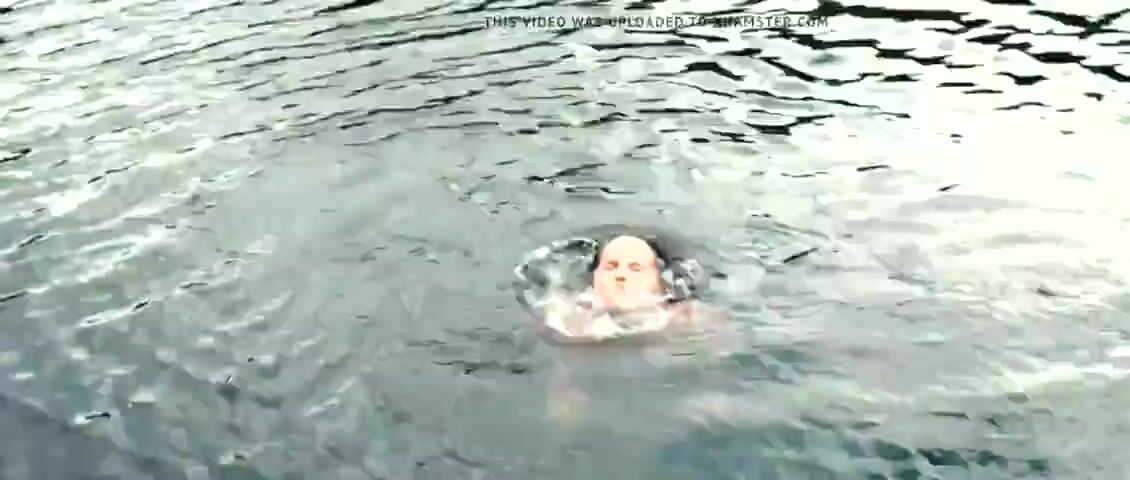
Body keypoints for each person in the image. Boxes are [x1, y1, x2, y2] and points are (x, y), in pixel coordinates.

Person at [516, 228, 725, 343]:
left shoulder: (690, 318)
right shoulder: (565, 317)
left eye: (635, 268)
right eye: (611, 267)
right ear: (595, 277)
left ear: (659, 280)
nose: (621, 275)